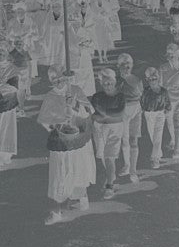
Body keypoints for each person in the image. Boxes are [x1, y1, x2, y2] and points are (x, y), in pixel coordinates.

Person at [42, 90, 96, 225]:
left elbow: (89, 114)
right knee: (57, 174)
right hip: (59, 141)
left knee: (77, 170)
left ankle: (82, 195)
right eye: (54, 79)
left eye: (61, 78)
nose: (58, 82)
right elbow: (45, 121)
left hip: (77, 140)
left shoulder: (76, 90)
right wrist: (57, 119)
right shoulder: (50, 96)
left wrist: (75, 108)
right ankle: (55, 211)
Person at [88, 68, 130, 199]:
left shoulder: (120, 96)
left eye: (110, 82)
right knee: (102, 156)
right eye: (105, 83)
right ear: (101, 83)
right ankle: (110, 176)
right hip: (99, 130)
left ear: (115, 82)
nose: (108, 85)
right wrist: (108, 114)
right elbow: (94, 115)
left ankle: (110, 185)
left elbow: (120, 113)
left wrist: (103, 113)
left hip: (115, 129)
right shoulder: (97, 96)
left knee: (109, 157)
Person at [115, 54, 144, 179]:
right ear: (118, 66)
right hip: (122, 113)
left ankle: (133, 170)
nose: (126, 66)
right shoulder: (116, 81)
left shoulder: (137, 80)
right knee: (124, 140)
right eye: (123, 64)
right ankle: (127, 165)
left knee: (133, 140)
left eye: (128, 64)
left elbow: (142, 96)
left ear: (132, 65)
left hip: (136, 112)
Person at [161, 43, 179, 157]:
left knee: (177, 121)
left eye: (173, 53)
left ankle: (177, 148)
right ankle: (173, 139)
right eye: (169, 53)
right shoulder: (163, 68)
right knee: (169, 122)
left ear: (178, 54)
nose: (171, 56)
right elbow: (160, 86)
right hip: (168, 99)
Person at [140, 67, 172, 168]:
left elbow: (167, 102)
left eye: (154, 79)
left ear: (158, 78)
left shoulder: (163, 91)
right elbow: (142, 102)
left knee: (158, 135)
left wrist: (167, 109)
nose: (152, 81)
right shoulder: (146, 91)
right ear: (147, 80)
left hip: (160, 114)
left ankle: (155, 158)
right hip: (149, 114)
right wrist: (143, 110)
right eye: (149, 79)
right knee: (152, 135)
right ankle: (158, 153)